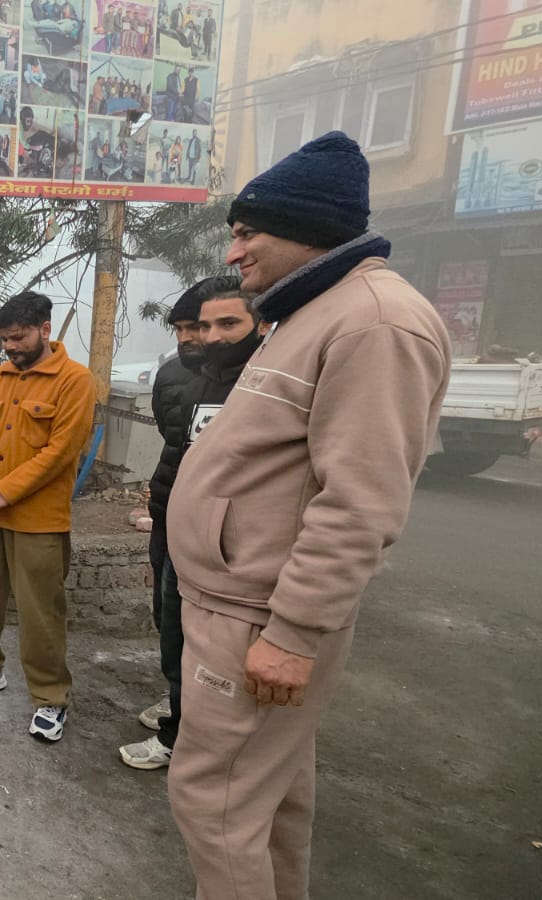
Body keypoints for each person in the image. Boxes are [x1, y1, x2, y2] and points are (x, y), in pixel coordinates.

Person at [165, 132, 450, 898]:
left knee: (214, 803)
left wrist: (292, 634)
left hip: (259, 619)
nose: (233, 254)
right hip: (240, 608)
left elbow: (360, 502)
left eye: (247, 233)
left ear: (306, 226)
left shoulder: (376, 323)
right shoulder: (317, 312)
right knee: (270, 804)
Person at [118, 276, 261, 772]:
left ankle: (189, 735)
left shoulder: (261, 382)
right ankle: (179, 708)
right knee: (171, 624)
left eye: (208, 326)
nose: (194, 337)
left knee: (212, 643)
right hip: (171, 520)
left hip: (225, 540)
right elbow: (174, 441)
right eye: (185, 328)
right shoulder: (179, 379)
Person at [0, 292, 94, 743]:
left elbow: (60, 452)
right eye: (5, 339)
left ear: (45, 329)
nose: (10, 346)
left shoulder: (74, 381)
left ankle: (51, 697)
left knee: (40, 612)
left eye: (19, 337)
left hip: (38, 520)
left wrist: (4, 494)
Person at [133, 279, 207, 736]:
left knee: (204, 623)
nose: (186, 337)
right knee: (167, 611)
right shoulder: (171, 374)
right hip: (167, 508)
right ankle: (178, 695)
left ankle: (193, 717)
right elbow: (169, 431)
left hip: (214, 524)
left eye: (195, 327)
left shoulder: (250, 377)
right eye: (179, 329)